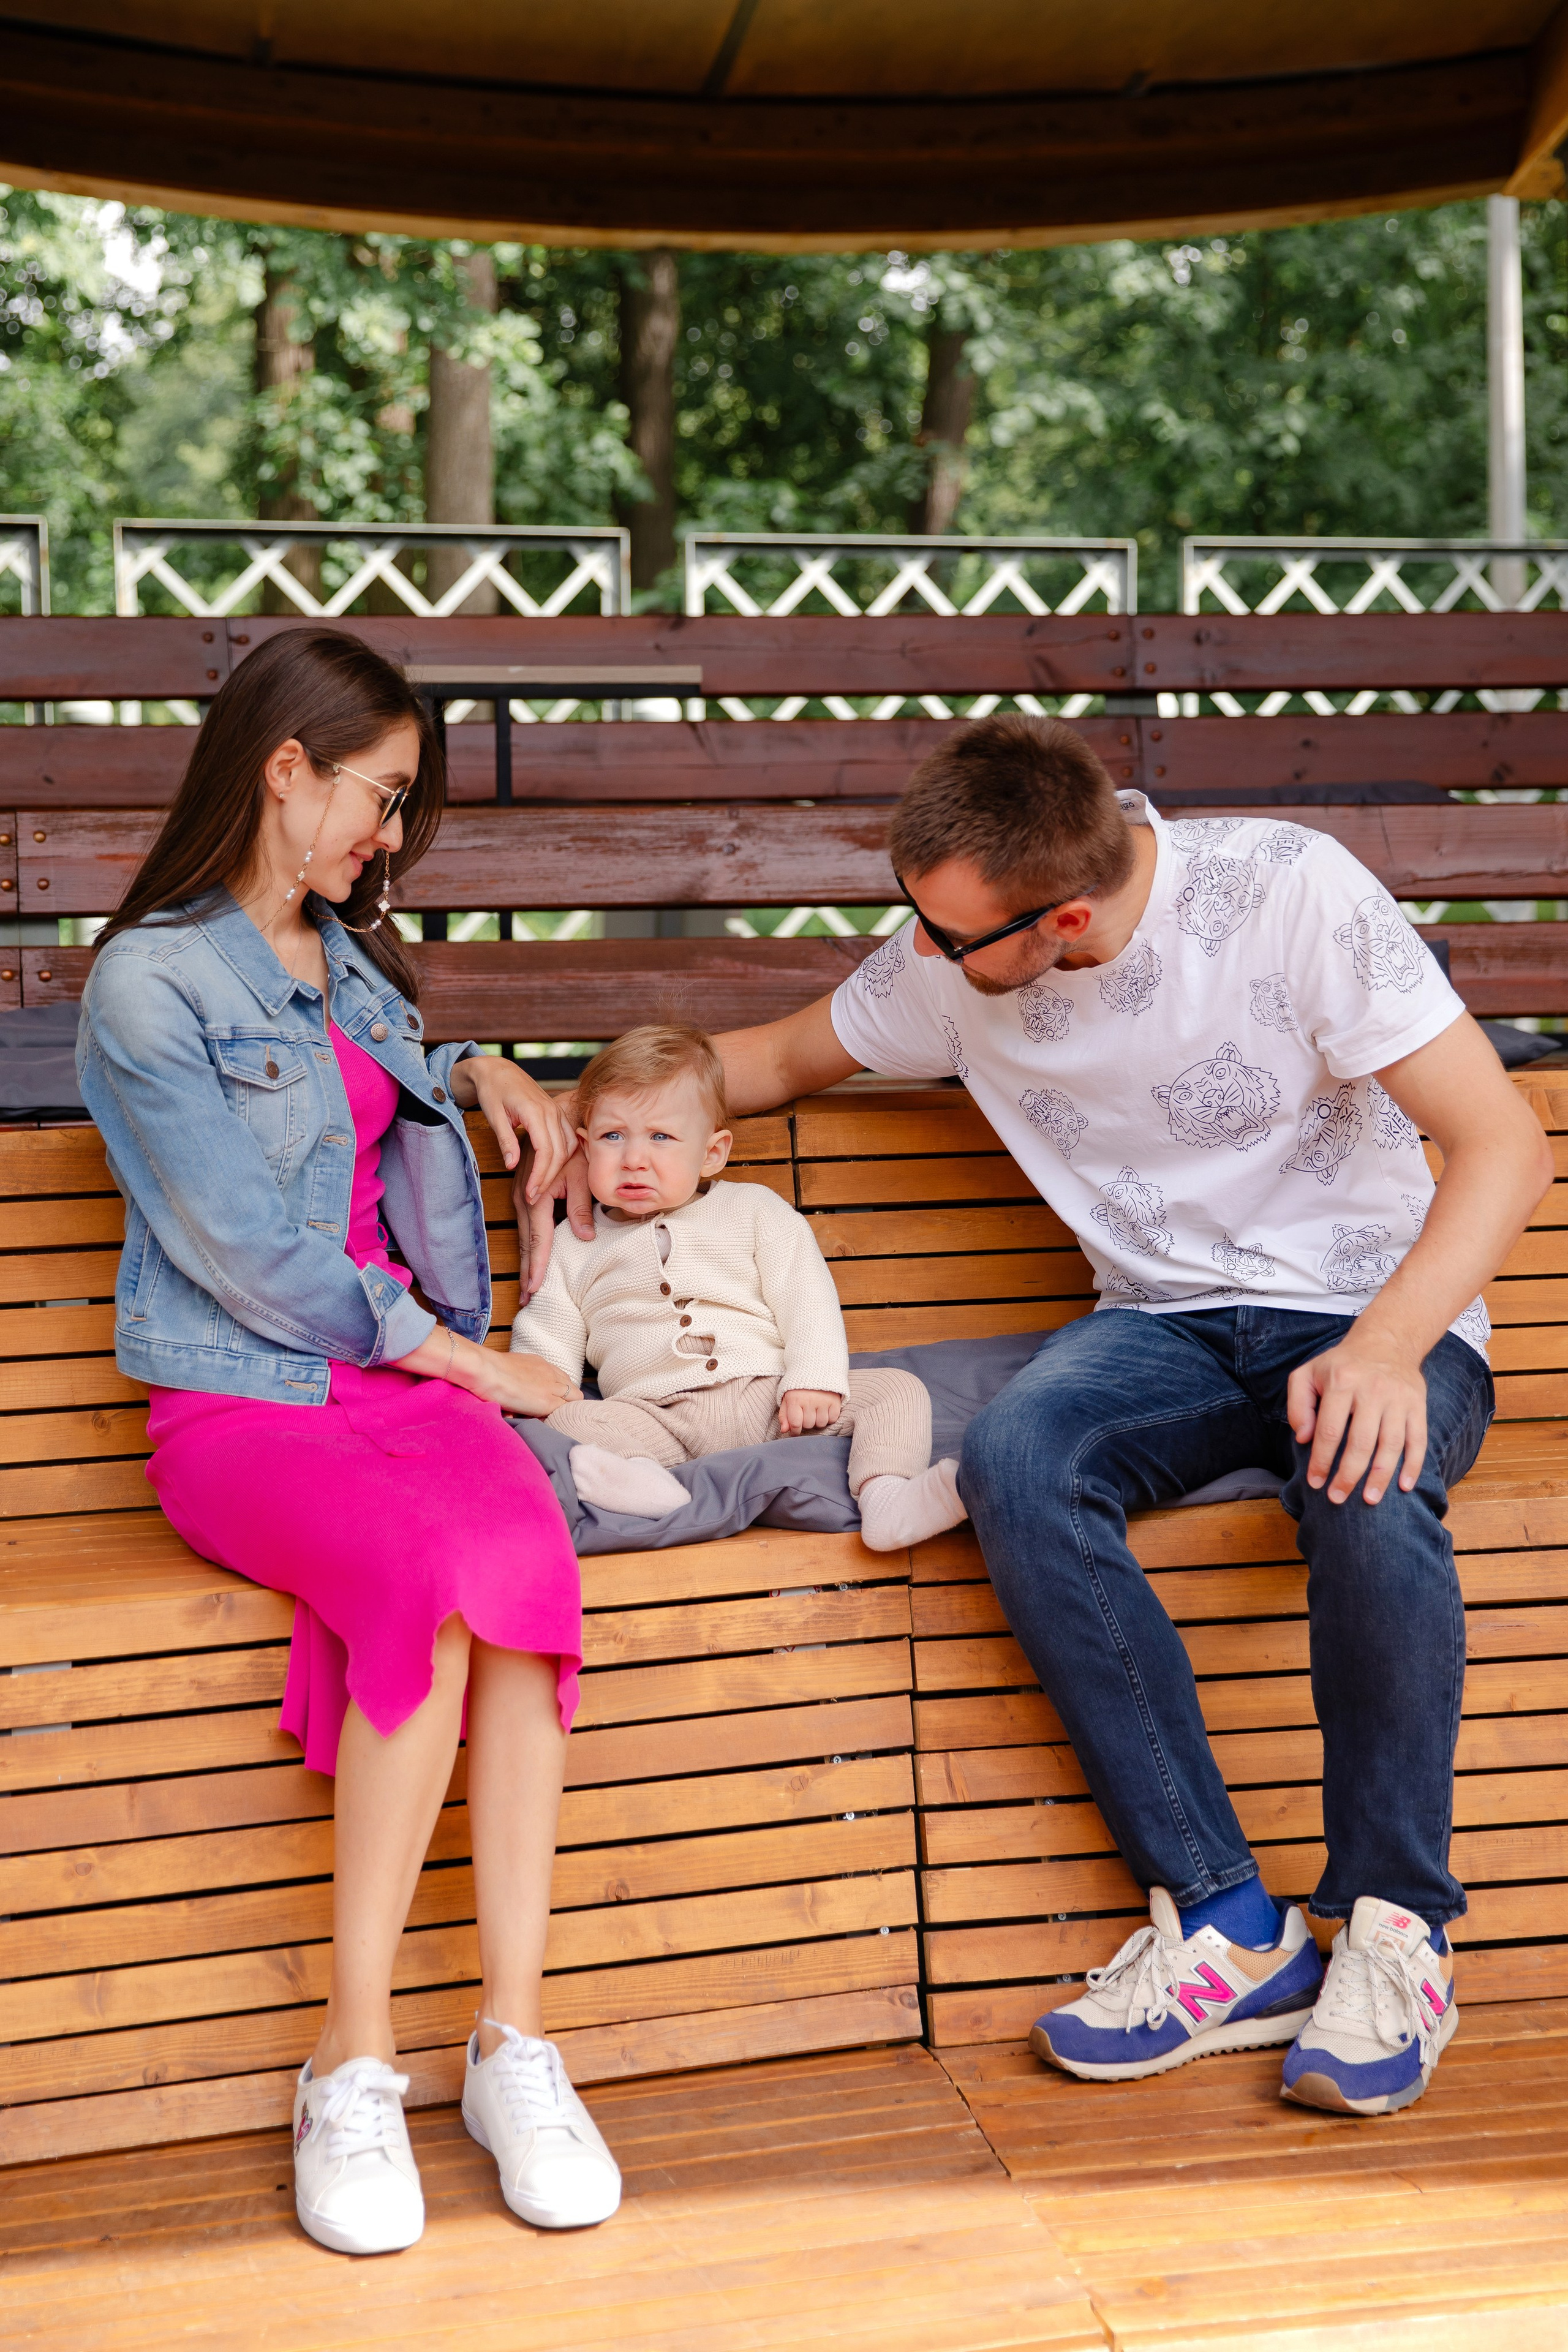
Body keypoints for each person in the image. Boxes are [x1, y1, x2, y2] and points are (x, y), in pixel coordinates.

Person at [543, 713, 1550, 2120]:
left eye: (946, 937)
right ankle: (1221, 1921)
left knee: (1362, 1479)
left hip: (1373, 1315)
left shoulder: (1285, 890)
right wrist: (529, 1096)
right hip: (1161, 1329)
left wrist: (1386, 1347)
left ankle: (1393, 1930)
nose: (918, 956)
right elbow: (760, 1062)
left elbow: (1501, 1137)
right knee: (1015, 1453)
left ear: (1062, 917)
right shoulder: (949, 961)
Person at [78, 627, 622, 2256]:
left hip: (405, 1385)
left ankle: (512, 2045)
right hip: (247, 1400)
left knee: (525, 1570)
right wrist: (464, 1357)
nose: (387, 837)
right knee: (420, 1577)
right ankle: (354, 2057)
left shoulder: (348, 960)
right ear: (284, 769)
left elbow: (378, 1081)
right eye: (378, 798)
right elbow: (246, 1244)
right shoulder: (147, 983)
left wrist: (483, 1065)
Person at [511, 1022, 967, 1550]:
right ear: (586, 1149)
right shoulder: (575, 1243)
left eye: (661, 1136)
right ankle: (641, 1482)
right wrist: (543, 1397)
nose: (634, 1157)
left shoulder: (753, 1210)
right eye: (614, 1136)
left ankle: (887, 1497)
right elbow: (548, 1335)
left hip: (768, 1400)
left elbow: (806, 1297)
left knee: (896, 1391)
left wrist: (813, 1378)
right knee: (569, 1418)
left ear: (712, 1153)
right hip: (655, 1417)